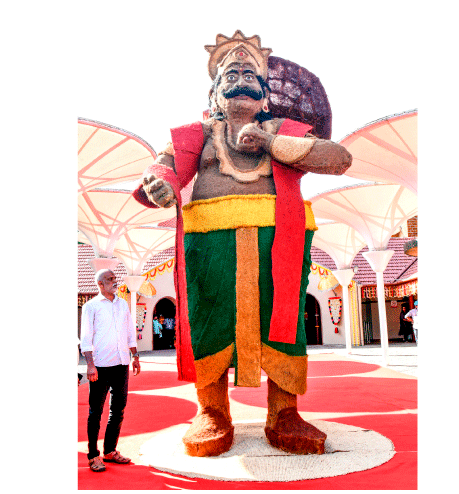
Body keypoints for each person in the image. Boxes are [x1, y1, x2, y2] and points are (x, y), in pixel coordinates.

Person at [133, 30, 352, 456]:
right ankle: (212, 410)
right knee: (208, 319)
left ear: (265, 97)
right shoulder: (196, 134)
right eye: (230, 75)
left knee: (284, 321)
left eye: (250, 74)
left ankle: (284, 412)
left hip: (279, 240)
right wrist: (159, 185)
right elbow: (163, 167)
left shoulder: (284, 131)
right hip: (209, 243)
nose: (240, 79)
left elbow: (339, 159)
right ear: (214, 95)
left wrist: (269, 142)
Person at [80, 269, 141, 472]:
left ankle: (110, 451)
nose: (115, 282)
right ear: (100, 284)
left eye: (115, 278)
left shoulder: (122, 304)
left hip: (121, 363)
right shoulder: (91, 306)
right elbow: (86, 338)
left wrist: (135, 356)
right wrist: (90, 364)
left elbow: (129, 331)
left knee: (118, 409)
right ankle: (93, 455)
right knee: (95, 412)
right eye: (110, 279)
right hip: (100, 366)